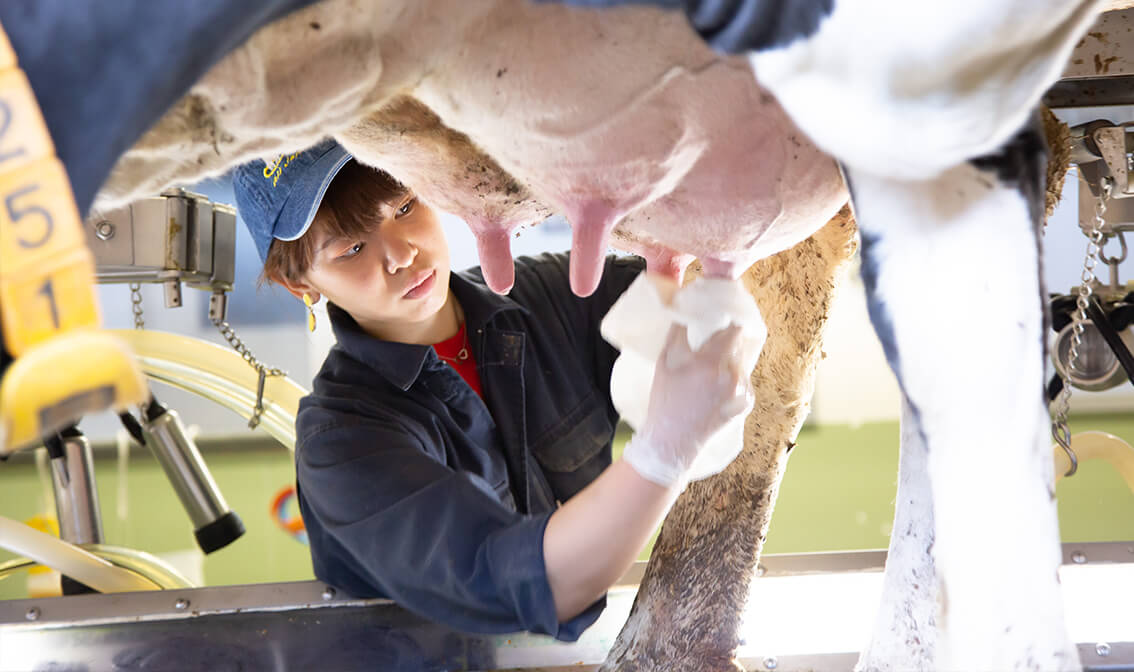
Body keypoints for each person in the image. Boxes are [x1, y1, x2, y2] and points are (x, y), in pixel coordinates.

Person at [232, 139, 753, 641]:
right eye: (351, 248)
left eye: (406, 206)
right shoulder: (342, 443)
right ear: (300, 284)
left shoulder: (551, 298)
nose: (401, 253)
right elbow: (528, 584)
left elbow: (689, 286)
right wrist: (664, 451)